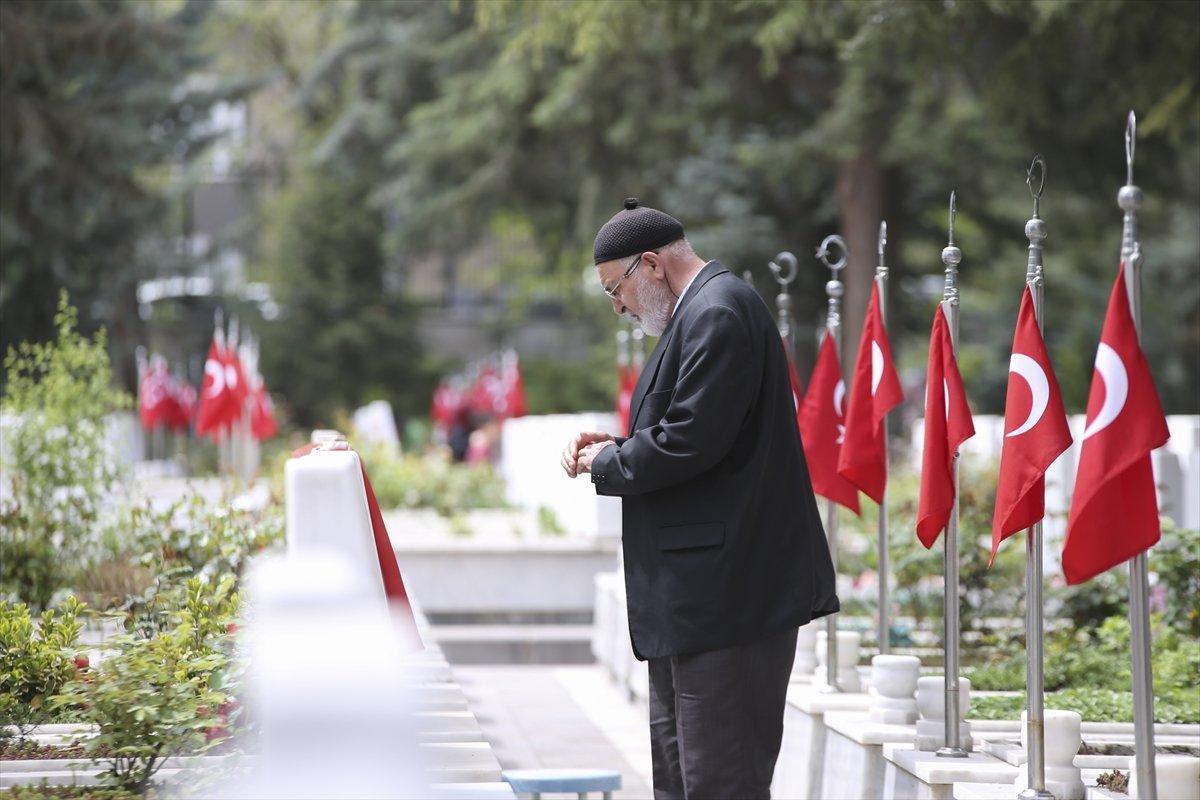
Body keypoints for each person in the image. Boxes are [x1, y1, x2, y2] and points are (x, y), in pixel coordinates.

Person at [561, 198, 838, 799]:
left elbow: (693, 440)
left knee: (720, 784)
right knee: (685, 782)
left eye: (617, 288)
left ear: (652, 264)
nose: (617, 305)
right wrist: (619, 444)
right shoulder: (704, 309)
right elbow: (702, 432)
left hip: (729, 599)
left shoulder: (717, 310)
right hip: (702, 601)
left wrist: (611, 461)